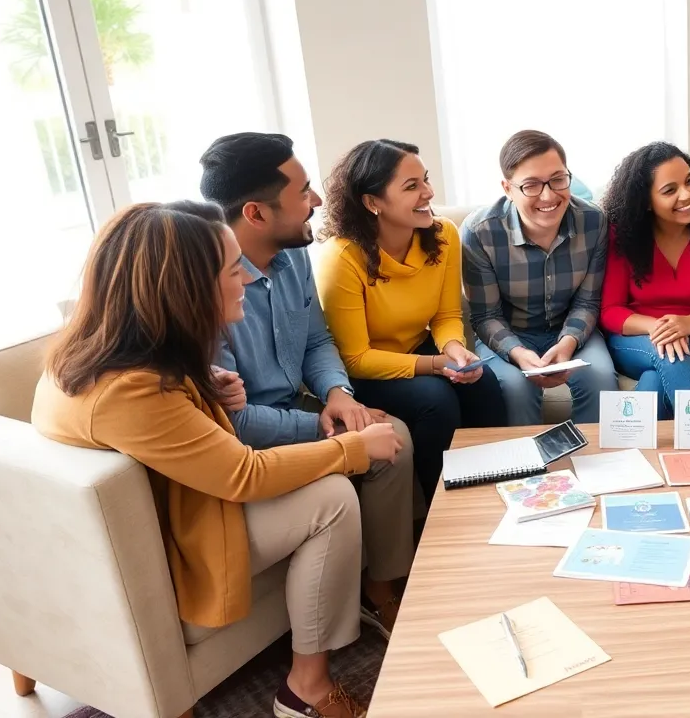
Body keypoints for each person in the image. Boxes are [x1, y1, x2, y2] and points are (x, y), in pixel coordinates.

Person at [32, 202, 400, 718]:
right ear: (185, 289)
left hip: (172, 511)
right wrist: (352, 449)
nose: (244, 279)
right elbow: (242, 474)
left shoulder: (94, 356)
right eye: (232, 271)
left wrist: (202, 384)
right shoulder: (128, 392)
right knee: (333, 498)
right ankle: (306, 689)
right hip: (173, 543)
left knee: (332, 482)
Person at [198, 132, 415, 643]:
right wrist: (321, 425)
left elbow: (316, 338)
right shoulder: (207, 286)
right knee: (377, 442)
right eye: (303, 192)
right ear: (256, 213)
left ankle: (380, 585)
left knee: (396, 439)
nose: (317, 200)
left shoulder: (293, 253)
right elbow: (234, 420)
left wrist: (339, 395)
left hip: (299, 403)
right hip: (247, 434)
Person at [315, 139, 507, 499]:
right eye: (411, 186)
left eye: (426, 180)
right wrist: (436, 365)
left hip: (417, 349)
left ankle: (502, 488)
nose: (428, 192)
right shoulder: (341, 258)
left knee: (482, 382)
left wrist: (455, 350)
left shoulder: (444, 235)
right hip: (366, 370)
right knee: (436, 399)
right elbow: (356, 357)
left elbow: (446, 315)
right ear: (372, 202)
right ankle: (444, 509)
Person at [460, 130, 618, 425]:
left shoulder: (593, 221)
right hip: (509, 332)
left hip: (571, 330)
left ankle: (593, 455)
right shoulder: (480, 231)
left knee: (600, 379)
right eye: (531, 185)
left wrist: (568, 343)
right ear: (508, 188)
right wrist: (518, 353)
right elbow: (485, 315)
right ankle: (526, 456)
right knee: (515, 388)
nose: (548, 195)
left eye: (558, 179)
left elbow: (587, 301)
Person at [599, 142, 690, 419]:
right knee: (668, 352)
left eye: (689, 181)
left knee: (656, 379)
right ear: (645, 201)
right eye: (669, 190)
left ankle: (632, 444)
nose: (687, 194)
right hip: (639, 338)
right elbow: (610, 311)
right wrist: (659, 328)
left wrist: (688, 323)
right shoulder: (621, 234)